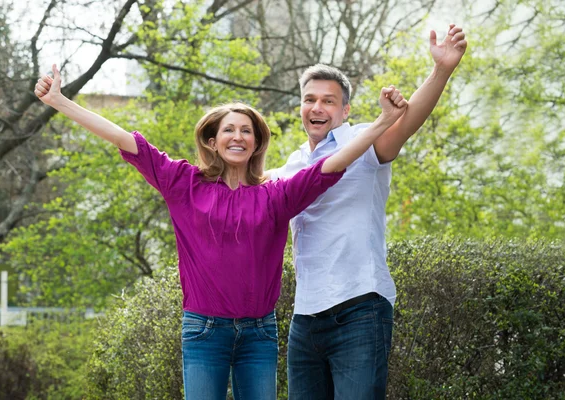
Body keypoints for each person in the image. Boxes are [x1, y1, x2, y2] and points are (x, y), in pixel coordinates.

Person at [34, 64, 408, 400]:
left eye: (246, 130)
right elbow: (124, 139)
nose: (237, 136)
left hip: (260, 336)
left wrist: (381, 122)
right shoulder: (184, 183)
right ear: (212, 141)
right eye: (228, 129)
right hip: (203, 332)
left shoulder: (275, 195)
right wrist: (60, 102)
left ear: (256, 143)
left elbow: (331, 166)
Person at [267, 24, 468, 399]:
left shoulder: (362, 142)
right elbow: (239, 188)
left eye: (328, 100)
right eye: (309, 99)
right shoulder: (290, 167)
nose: (317, 107)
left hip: (359, 309)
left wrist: (441, 71)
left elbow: (406, 123)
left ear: (345, 110)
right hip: (304, 320)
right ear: (300, 108)